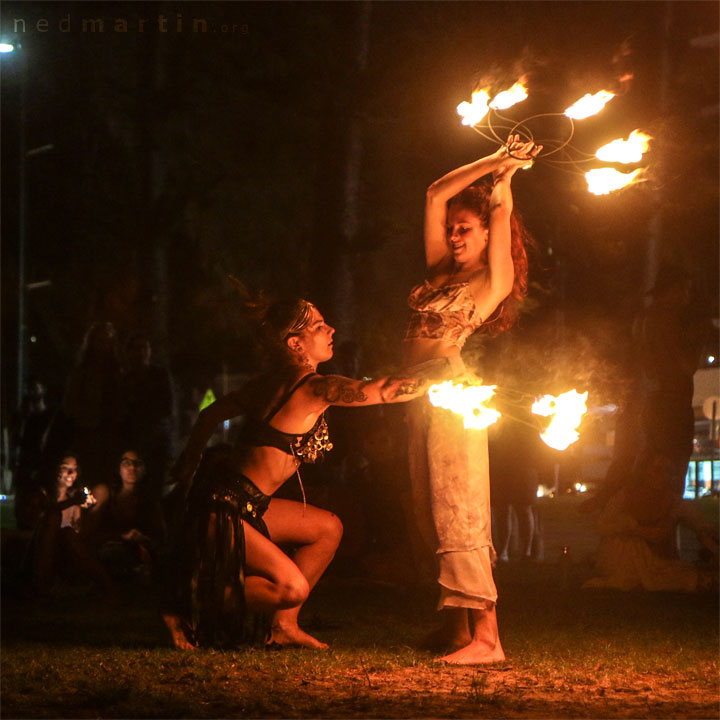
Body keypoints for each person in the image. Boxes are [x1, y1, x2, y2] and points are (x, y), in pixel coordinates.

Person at [163, 286, 428, 651]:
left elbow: (211, 415)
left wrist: (189, 462)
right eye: (319, 326)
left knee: (328, 528)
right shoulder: (313, 388)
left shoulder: (272, 382)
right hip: (224, 509)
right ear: (295, 343)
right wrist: (440, 379)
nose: (332, 329)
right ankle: (189, 600)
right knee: (291, 588)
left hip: (245, 503)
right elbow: (382, 390)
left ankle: (283, 627)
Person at [401, 134, 539, 664]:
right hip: (415, 397)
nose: (454, 235)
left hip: (452, 397)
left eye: (466, 229)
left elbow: (500, 205)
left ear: (487, 236)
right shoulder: (440, 272)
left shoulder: (490, 280)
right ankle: (457, 629)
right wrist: (493, 159)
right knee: (426, 511)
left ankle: (488, 638)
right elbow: (436, 193)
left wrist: (506, 176)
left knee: (459, 508)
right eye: (452, 229)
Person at [583, 453, 719, 593]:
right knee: (629, 543)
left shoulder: (673, 503)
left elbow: (699, 526)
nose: (662, 476)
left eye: (668, 471)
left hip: (659, 560)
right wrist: (628, 527)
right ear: (645, 472)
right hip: (622, 557)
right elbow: (601, 525)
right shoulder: (625, 496)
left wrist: (713, 546)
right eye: (657, 470)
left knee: (680, 575)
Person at [29, 453, 113, 597]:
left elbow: (77, 532)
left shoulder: (74, 501)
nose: (71, 473)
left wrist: (89, 511)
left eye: (74, 469)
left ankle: (106, 585)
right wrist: (72, 502)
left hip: (65, 556)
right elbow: (41, 520)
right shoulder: (42, 495)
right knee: (55, 517)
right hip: (39, 555)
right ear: (55, 470)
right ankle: (42, 583)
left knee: (68, 532)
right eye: (65, 468)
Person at [62, 322, 123, 486]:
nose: (103, 346)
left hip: (112, 433)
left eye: (107, 341)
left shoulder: (117, 370)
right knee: (89, 475)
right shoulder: (82, 371)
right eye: (99, 341)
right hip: (88, 433)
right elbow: (70, 404)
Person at [89, 450, 166, 577]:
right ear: (118, 468)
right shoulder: (104, 492)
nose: (132, 468)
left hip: (136, 554)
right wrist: (121, 536)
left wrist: (143, 539)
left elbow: (160, 538)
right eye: (126, 463)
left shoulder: (149, 500)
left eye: (138, 464)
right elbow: (88, 532)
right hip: (104, 552)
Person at [119, 334, 176, 501]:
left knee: (155, 490)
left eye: (143, 348)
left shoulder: (159, 375)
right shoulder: (125, 379)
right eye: (136, 348)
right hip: (133, 440)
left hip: (156, 442)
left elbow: (167, 408)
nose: (140, 352)